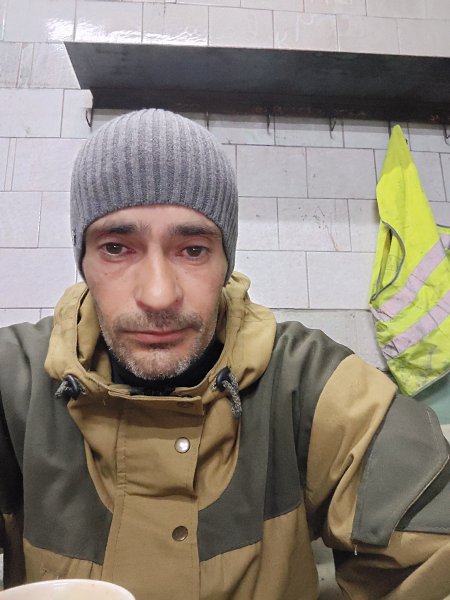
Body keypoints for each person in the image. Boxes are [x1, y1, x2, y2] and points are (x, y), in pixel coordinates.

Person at [0, 109, 449, 600]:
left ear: (225, 261)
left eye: (192, 249)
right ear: (82, 261)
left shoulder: (309, 383)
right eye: (116, 248)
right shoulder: (12, 385)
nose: (158, 295)